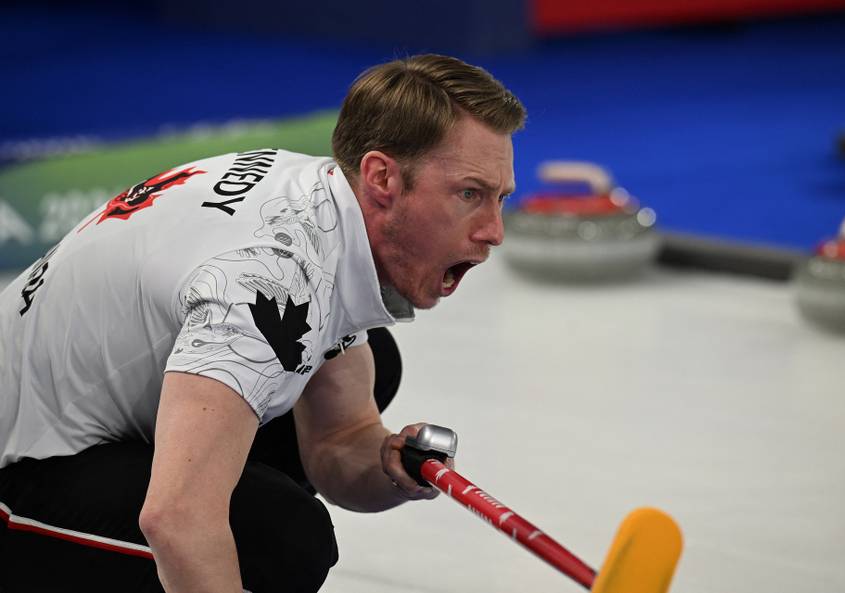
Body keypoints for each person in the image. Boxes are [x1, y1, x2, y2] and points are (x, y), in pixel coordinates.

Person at [0, 54, 525, 592]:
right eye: (469, 194)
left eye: (500, 198)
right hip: (17, 472)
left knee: (372, 362)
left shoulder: (317, 196)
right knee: (279, 540)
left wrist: (390, 466)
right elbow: (177, 520)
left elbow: (340, 437)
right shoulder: (265, 282)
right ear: (382, 177)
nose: (494, 231)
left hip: (80, 414)